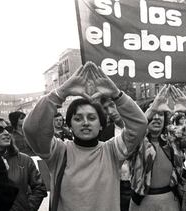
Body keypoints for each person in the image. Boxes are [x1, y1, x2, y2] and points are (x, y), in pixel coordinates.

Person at [22, 61, 148, 211]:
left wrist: (117, 95)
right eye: (78, 118)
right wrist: (60, 93)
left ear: (101, 124)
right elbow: (32, 129)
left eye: (92, 118)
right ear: (69, 125)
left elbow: (139, 125)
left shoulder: (112, 151)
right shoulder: (58, 152)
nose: (85, 123)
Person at [129, 84, 186, 211]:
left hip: (170, 201)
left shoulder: (174, 138)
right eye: (153, 114)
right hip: (142, 203)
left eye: (161, 114)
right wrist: (149, 112)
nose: (156, 118)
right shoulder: (135, 141)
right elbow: (133, 131)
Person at [0, 116, 47, 211]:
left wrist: (28, 207)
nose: (6, 133)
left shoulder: (24, 159)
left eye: (8, 129)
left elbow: (40, 187)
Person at [100, 96, 130, 211]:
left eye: (112, 105)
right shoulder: (105, 132)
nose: (110, 112)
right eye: (106, 108)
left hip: (138, 187)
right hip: (115, 187)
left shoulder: (138, 128)